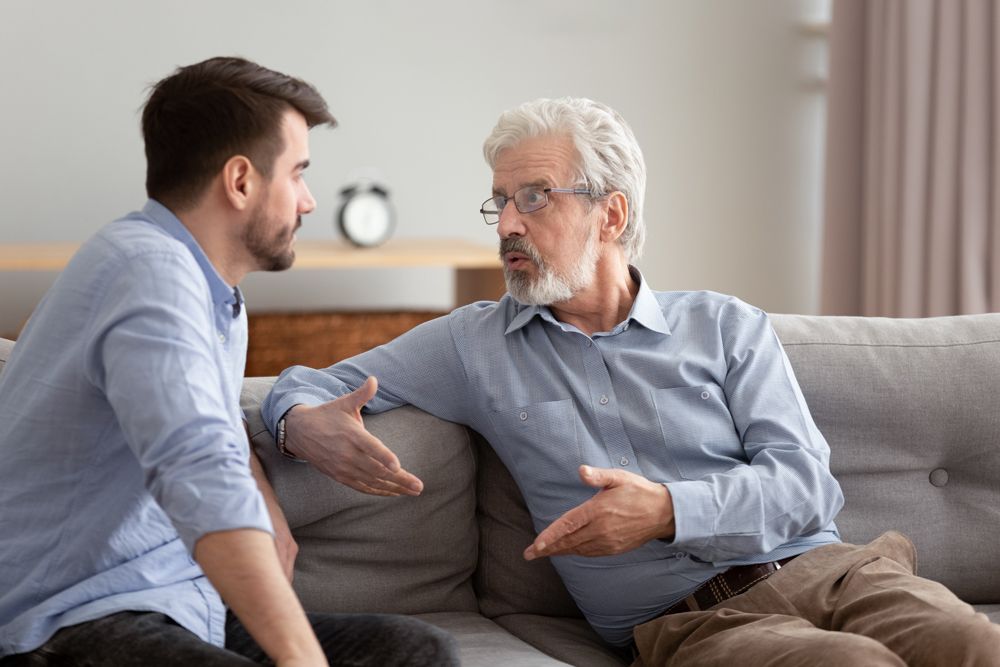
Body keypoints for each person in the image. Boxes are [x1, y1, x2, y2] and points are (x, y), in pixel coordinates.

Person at [260, 96, 1000, 665]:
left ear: (611, 214)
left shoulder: (723, 325)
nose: (507, 224)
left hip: (835, 569)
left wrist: (667, 510)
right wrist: (298, 420)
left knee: (971, 644)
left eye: (536, 196)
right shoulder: (473, 342)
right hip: (694, 623)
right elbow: (299, 384)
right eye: (502, 200)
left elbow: (807, 487)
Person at [0, 57, 457, 667]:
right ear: (241, 181)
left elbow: (205, 422)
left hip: (181, 608)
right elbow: (197, 471)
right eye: (297, 174)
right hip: (65, 622)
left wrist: (265, 500)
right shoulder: (147, 273)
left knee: (415, 651)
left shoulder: (215, 295)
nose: (310, 202)